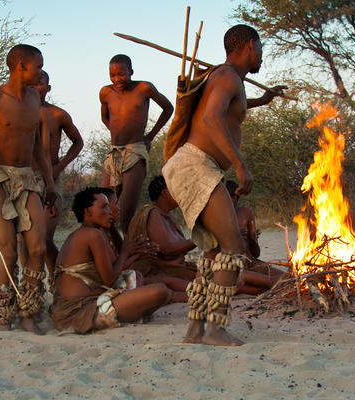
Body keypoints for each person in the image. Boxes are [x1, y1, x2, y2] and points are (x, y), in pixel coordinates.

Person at [162, 24, 286, 346]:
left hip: (192, 166)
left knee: (215, 251)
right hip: (196, 165)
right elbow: (212, 118)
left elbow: (229, 112)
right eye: (260, 47)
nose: (262, 55)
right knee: (233, 248)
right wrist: (241, 164)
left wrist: (262, 99)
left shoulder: (229, 79)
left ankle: (195, 329)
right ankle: (215, 329)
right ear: (249, 46)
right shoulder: (228, 76)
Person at [0, 44, 56, 335]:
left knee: (38, 247)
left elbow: (37, 147)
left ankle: (30, 310)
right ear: (20, 66)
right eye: (38, 66)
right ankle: (4, 311)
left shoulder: (34, 99)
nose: (41, 71)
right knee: (8, 248)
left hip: (27, 178)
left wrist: (50, 182)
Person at [50, 188, 171, 334]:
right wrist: (125, 253)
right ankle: (130, 313)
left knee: (136, 276)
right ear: (87, 212)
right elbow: (109, 280)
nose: (109, 211)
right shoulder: (92, 235)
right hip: (77, 311)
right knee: (161, 291)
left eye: (108, 206)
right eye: (103, 207)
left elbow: (116, 269)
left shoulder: (93, 232)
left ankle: (131, 311)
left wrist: (136, 254)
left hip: (76, 306)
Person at [18, 70, 84, 293]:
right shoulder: (19, 113)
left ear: (48, 88)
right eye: (32, 84)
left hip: (50, 180)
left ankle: (59, 283)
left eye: (40, 84)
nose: (35, 88)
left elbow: (78, 143)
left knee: (43, 237)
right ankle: (30, 288)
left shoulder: (57, 115)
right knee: (23, 238)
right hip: (24, 178)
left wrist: (58, 167)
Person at [99, 54, 174, 235]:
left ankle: (132, 254)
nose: (117, 79)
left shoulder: (144, 88)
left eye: (121, 74)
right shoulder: (106, 93)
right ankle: (115, 254)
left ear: (131, 72)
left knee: (126, 212)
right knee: (103, 207)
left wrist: (150, 137)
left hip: (135, 151)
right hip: (114, 153)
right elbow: (104, 116)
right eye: (113, 75)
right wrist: (116, 134)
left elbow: (168, 108)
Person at [126, 175, 197, 302]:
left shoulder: (168, 214)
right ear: (164, 192)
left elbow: (178, 247)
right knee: (221, 284)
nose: (181, 192)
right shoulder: (153, 213)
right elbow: (166, 250)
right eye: (176, 189)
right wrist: (200, 239)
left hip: (178, 269)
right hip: (164, 271)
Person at [225, 180, 284, 286]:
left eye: (235, 197)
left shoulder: (246, 213)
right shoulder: (217, 217)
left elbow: (256, 254)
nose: (232, 200)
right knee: (267, 282)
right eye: (229, 197)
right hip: (230, 267)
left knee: (287, 277)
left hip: (251, 263)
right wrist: (233, 235)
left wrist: (253, 240)